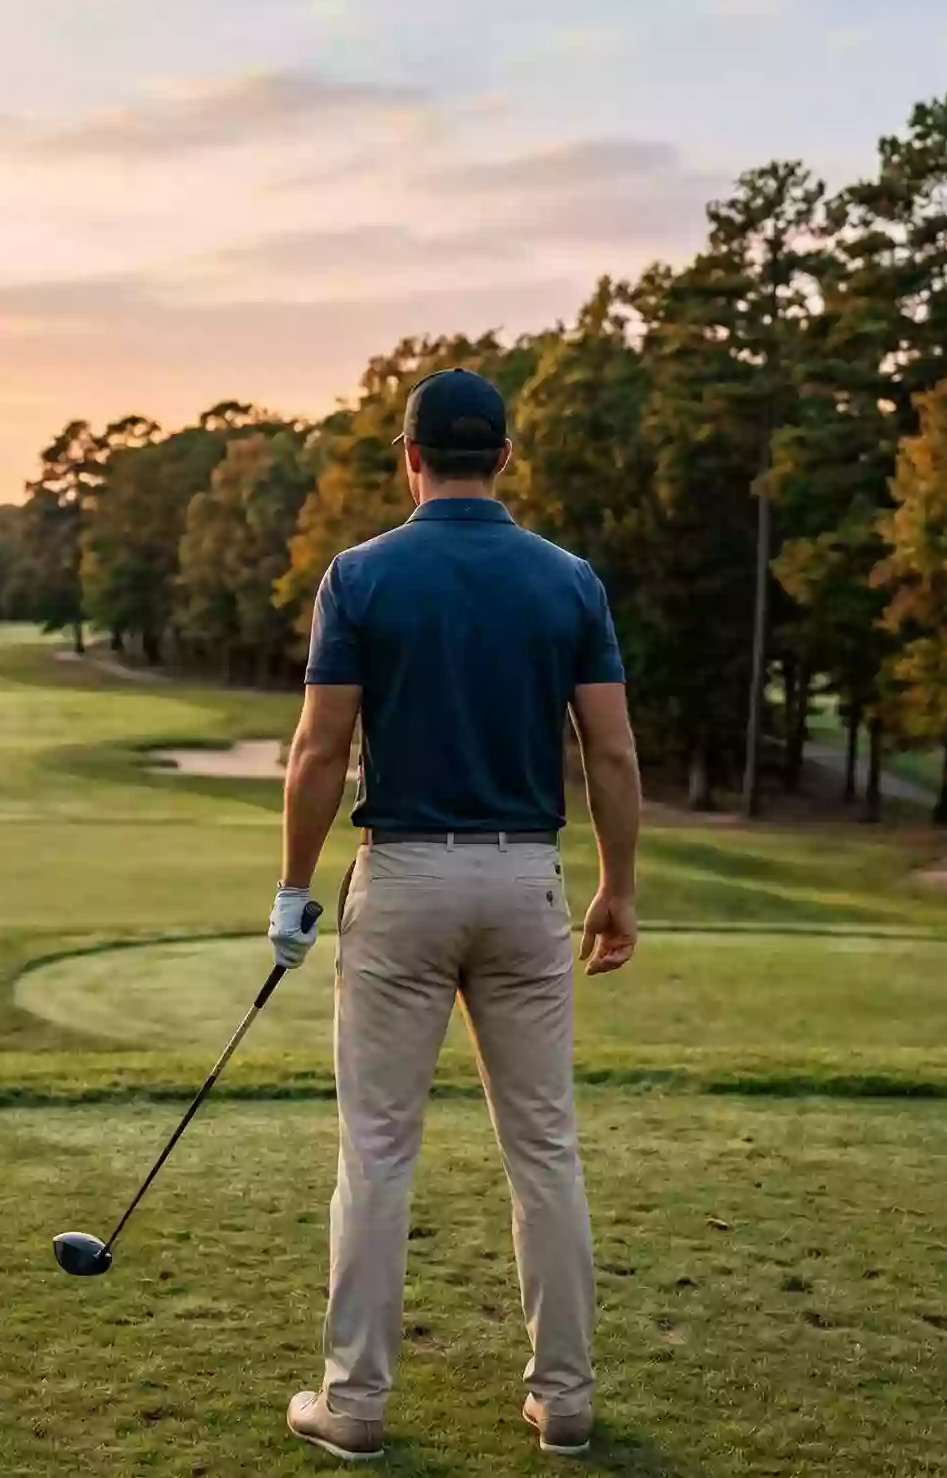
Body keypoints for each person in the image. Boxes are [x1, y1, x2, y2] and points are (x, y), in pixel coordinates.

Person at [265, 367, 643, 1461]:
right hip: (526, 884)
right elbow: (611, 751)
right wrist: (618, 886)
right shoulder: (570, 581)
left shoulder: (358, 576)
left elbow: (320, 750)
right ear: (506, 458)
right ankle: (564, 1401)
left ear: (411, 456)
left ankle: (354, 1405)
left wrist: (293, 888)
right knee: (544, 1147)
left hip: (403, 882)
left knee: (378, 1151)